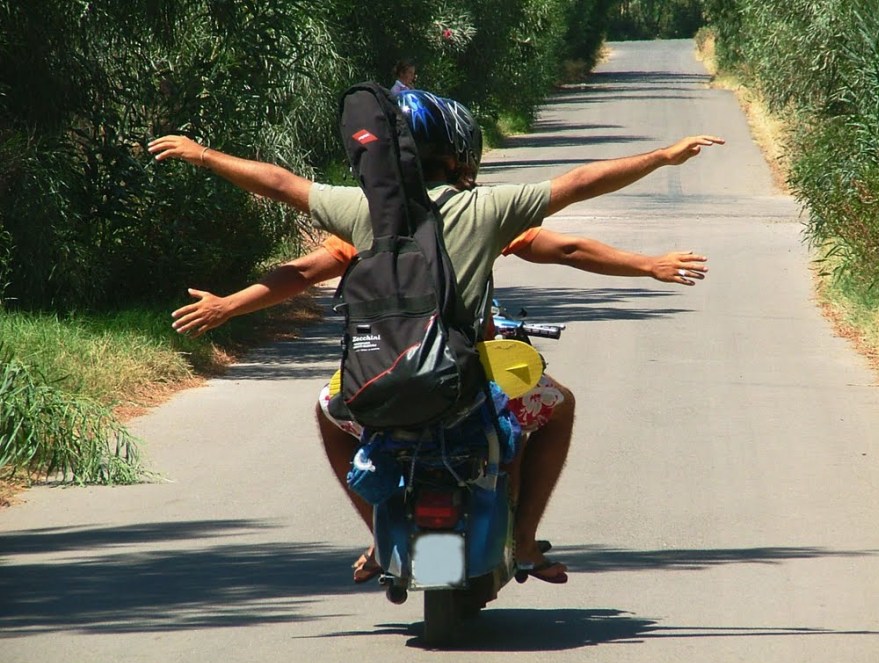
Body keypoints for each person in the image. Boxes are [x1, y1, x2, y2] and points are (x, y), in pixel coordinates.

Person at [149, 88, 724, 582]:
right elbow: (573, 210)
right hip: (467, 385)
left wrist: (205, 165)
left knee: (327, 408)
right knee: (559, 407)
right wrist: (661, 167)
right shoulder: (487, 208)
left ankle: (379, 538)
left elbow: (289, 219)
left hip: (378, 383)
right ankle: (525, 541)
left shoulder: (363, 212)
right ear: (457, 156)